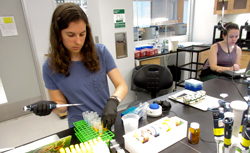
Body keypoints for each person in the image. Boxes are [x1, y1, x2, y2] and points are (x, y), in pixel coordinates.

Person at [29, 3, 128, 129]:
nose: (78, 41)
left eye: (82, 34)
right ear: (58, 34)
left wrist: (113, 101)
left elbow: (122, 85)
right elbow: (62, 105)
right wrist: (50, 107)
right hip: (80, 127)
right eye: (71, 35)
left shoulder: (100, 52)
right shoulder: (50, 67)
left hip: (106, 120)